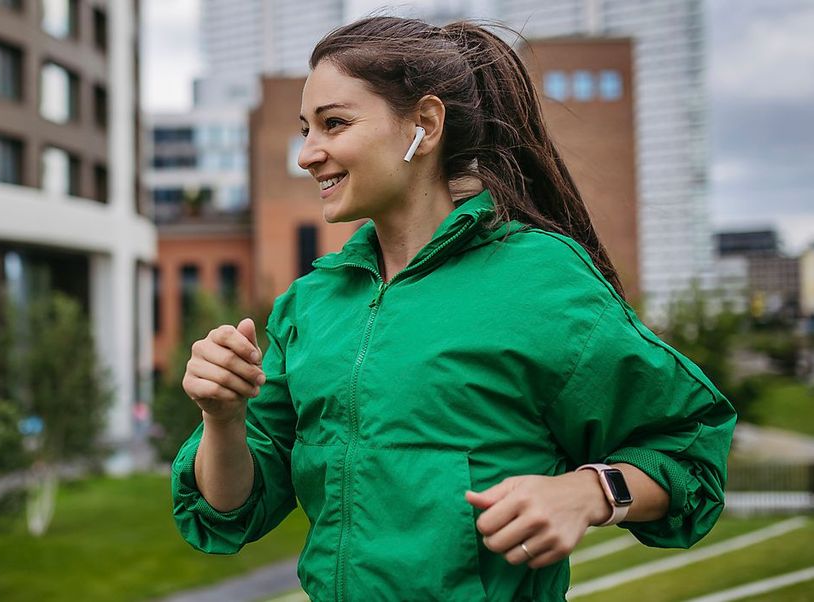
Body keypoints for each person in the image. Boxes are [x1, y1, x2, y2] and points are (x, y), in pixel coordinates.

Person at [170, 16, 736, 601]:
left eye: (334, 124)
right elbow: (229, 510)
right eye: (306, 129)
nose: (307, 155)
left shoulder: (541, 282)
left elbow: (688, 451)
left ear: (425, 123)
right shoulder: (310, 305)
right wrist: (223, 416)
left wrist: (589, 492)